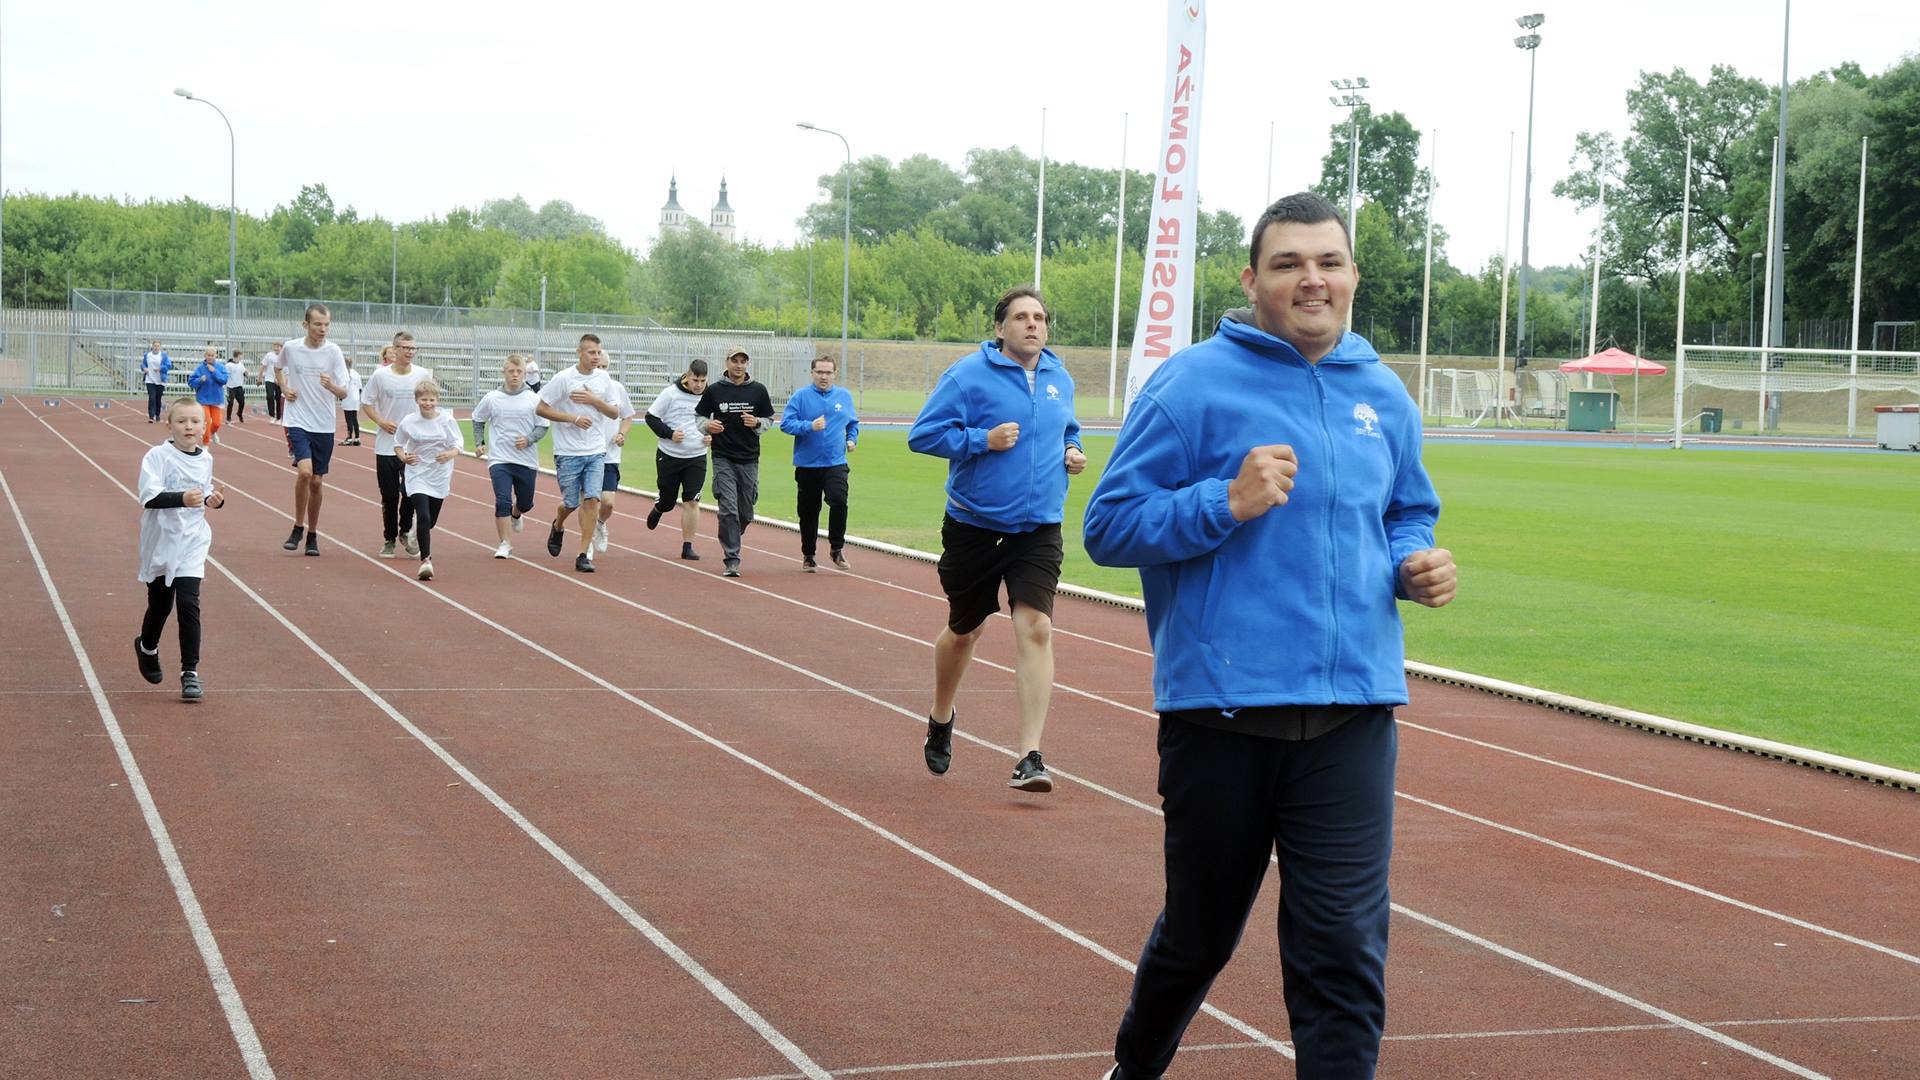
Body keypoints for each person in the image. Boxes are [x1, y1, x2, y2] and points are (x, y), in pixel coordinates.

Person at [1082, 193, 1456, 1080]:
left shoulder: (1382, 393)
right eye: (1288, 264)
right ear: (1253, 280)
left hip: (1354, 715)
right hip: (1222, 715)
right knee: (1200, 936)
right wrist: (1227, 501)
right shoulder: (1192, 384)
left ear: (1354, 275)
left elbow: (1407, 507)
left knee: (1342, 956)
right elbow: (1109, 526)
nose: (1311, 279)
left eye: (1328, 261)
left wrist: (1413, 561)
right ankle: (1134, 1068)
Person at [907, 285, 1085, 793]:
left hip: (1039, 527)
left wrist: (1071, 449)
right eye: (1022, 317)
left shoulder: (1059, 377)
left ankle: (1029, 755)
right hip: (975, 527)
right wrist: (979, 441)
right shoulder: (967, 375)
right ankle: (942, 715)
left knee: (1036, 628)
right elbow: (922, 434)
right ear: (1000, 327)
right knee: (965, 631)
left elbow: (1067, 428)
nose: (1033, 324)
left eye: (1040, 317)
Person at [134, 398, 227, 701]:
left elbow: (205, 489)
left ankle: (190, 673)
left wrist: (215, 500)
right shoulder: (157, 456)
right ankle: (147, 646)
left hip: (192, 541)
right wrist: (182, 499)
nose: (189, 427)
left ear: (205, 427)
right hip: (161, 542)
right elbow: (149, 497)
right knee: (161, 606)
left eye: (195, 422)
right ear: (169, 425)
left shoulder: (206, 458)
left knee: (189, 603)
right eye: (182, 421)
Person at [535, 334, 619, 573]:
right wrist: (572, 418)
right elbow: (541, 408)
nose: (596, 357)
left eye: (599, 352)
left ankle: (583, 554)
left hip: (595, 451)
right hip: (568, 452)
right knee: (571, 503)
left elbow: (614, 413)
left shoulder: (604, 378)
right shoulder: (563, 378)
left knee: (593, 499)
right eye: (591, 352)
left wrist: (594, 400)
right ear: (579, 352)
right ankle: (558, 524)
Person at [276, 303, 350, 556]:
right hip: (297, 419)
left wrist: (332, 387)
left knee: (317, 481)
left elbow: (344, 391)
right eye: (318, 324)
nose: (323, 329)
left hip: (324, 423)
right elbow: (278, 368)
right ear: (305, 324)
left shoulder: (333, 352)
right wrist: (285, 388)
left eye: (327, 324)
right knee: (305, 473)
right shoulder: (292, 347)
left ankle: (312, 534)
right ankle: (297, 525)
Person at [695, 348, 774, 578]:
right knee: (728, 508)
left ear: (747, 364)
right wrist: (708, 426)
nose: (739, 365)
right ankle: (732, 558)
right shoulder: (715, 390)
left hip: (749, 458)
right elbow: (699, 417)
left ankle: (733, 532)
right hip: (723, 457)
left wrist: (757, 422)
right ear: (727, 362)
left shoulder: (758, 391)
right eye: (735, 361)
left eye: (743, 361)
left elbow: (769, 420)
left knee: (745, 513)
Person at [779, 354, 860, 571]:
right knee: (808, 511)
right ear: (812, 373)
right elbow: (786, 424)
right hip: (808, 464)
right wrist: (808, 426)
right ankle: (809, 554)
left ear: (835, 374)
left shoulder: (844, 396)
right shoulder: (801, 397)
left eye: (828, 373)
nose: (824, 377)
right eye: (819, 372)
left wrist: (852, 439)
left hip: (835, 462)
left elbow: (853, 424)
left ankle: (836, 548)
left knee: (839, 500)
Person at [360, 333, 433, 558]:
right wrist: (381, 421)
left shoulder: (422, 374)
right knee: (390, 495)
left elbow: (431, 400)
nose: (410, 352)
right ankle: (389, 538)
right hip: (386, 445)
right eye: (405, 347)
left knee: (411, 492)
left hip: (413, 447)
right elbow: (366, 403)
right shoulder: (380, 376)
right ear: (395, 349)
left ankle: (405, 531)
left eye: (413, 348)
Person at [473, 354, 548, 558]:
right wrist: (480, 443)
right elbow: (478, 419)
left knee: (525, 503)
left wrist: (529, 439)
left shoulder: (534, 399)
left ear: (525, 373)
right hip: (500, 459)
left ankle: (517, 513)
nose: (515, 375)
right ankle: (505, 543)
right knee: (502, 500)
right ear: (503, 372)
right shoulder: (492, 398)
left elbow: (543, 427)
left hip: (526, 460)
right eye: (511, 371)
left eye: (519, 372)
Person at [394, 379, 464, 581]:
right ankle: (426, 561)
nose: (428, 403)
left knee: (430, 521)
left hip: (439, 475)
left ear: (437, 400)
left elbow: (458, 445)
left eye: (432, 399)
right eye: (424, 399)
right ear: (417, 400)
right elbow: (398, 444)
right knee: (423, 516)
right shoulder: (409, 421)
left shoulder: (447, 420)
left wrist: (449, 454)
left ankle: (419, 531)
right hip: (417, 473)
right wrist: (403, 457)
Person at [644, 358, 712, 561]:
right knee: (668, 500)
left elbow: (717, 421)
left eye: (702, 380)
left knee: (692, 500)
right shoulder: (670, 393)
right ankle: (659, 508)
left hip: (696, 456)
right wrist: (669, 433)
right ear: (687, 376)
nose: (698, 385)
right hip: (669, 455)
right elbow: (651, 417)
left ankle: (688, 545)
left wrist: (712, 436)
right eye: (695, 380)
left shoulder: (711, 395)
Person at [590, 348, 638, 557]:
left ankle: (600, 524)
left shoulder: (617, 388)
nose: (601, 370)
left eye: (604, 367)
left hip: (609, 456)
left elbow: (628, 417)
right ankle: (586, 544)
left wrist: (622, 434)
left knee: (607, 503)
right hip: (586, 453)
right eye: (597, 366)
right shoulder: (583, 388)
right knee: (589, 501)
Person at [187, 346, 230, 446]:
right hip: (203, 400)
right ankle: (205, 443)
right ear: (205, 356)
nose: (210, 357)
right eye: (208, 355)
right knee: (206, 422)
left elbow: (224, 380)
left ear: (216, 356)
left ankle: (213, 432)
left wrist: (214, 371)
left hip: (217, 399)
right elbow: (191, 382)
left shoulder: (220, 367)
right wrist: (199, 380)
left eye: (212, 355)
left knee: (216, 423)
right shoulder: (200, 368)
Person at [141, 340, 173, 423]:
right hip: (150, 379)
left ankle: (157, 414)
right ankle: (151, 416)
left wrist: (160, 368)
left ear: (160, 347)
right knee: (152, 398)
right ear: (152, 346)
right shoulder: (147, 355)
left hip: (160, 380)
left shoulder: (163, 356)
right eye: (155, 346)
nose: (156, 347)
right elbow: (143, 364)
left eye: (158, 346)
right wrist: (144, 368)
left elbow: (169, 366)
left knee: (158, 399)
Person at [341, 360, 365, 446]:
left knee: (349, 419)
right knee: (354, 419)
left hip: (348, 398)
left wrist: (341, 396)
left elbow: (344, 387)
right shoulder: (357, 374)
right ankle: (357, 438)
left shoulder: (346, 374)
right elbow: (360, 388)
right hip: (356, 398)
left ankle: (349, 437)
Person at [260, 341, 284, 424]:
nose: (276, 348)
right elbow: (263, 366)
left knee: (278, 398)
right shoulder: (269, 355)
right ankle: (272, 416)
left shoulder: (283, 356)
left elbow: (285, 369)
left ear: (281, 347)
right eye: (275, 346)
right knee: (270, 396)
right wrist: (259, 377)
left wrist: (279, 379)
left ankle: (279, 417)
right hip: (269, 379)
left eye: (278, 346)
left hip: (279, 380)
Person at [224, 350, 248, 424]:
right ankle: (228, 418)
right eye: (241, 355)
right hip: (231, 387)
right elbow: (226, 375)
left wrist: (246, 373)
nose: (242, 357)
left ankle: (239, 413)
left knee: (242, 402)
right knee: (230, 402)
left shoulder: (241, 364)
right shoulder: (229, 365)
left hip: (239, 386)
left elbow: (244, 371)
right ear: (237, 356)